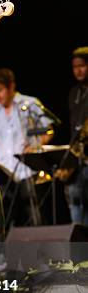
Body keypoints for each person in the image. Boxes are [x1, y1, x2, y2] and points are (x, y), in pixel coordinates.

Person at [0, 68, 54, 226]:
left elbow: (49, 130)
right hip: (6, 172)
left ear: (11, 86)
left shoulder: (30, 103)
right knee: (6, 218)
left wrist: (35, 147)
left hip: (27, 170)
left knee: (34, 215)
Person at [64, 47, 88, 224]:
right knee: (75, 201)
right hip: (76, 158)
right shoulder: (74, 93)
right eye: (75, 67)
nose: (78, 70)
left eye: (82, 65)